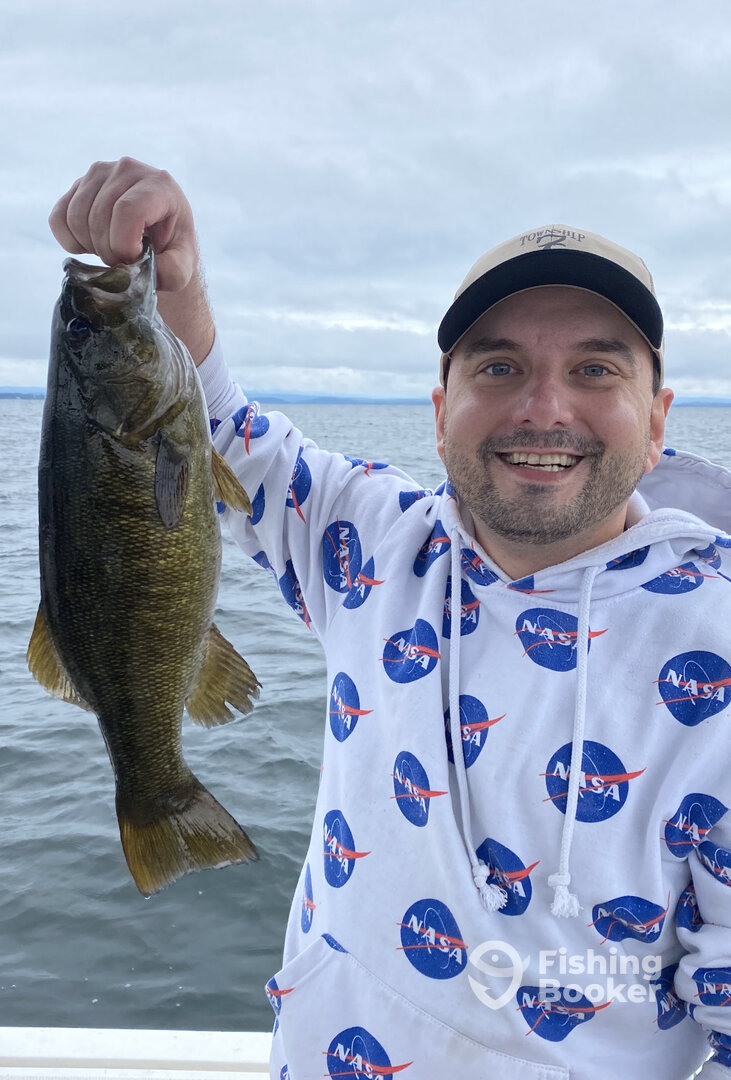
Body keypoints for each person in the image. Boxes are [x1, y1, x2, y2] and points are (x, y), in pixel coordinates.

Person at [51, 158, 731, 1080]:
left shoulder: (713, 650)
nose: (543, 407)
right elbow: (215, 432)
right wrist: (172, 281)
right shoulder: (370, 540)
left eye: (594, 369)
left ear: (655, 423)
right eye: (498, 366)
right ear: (440, 410)